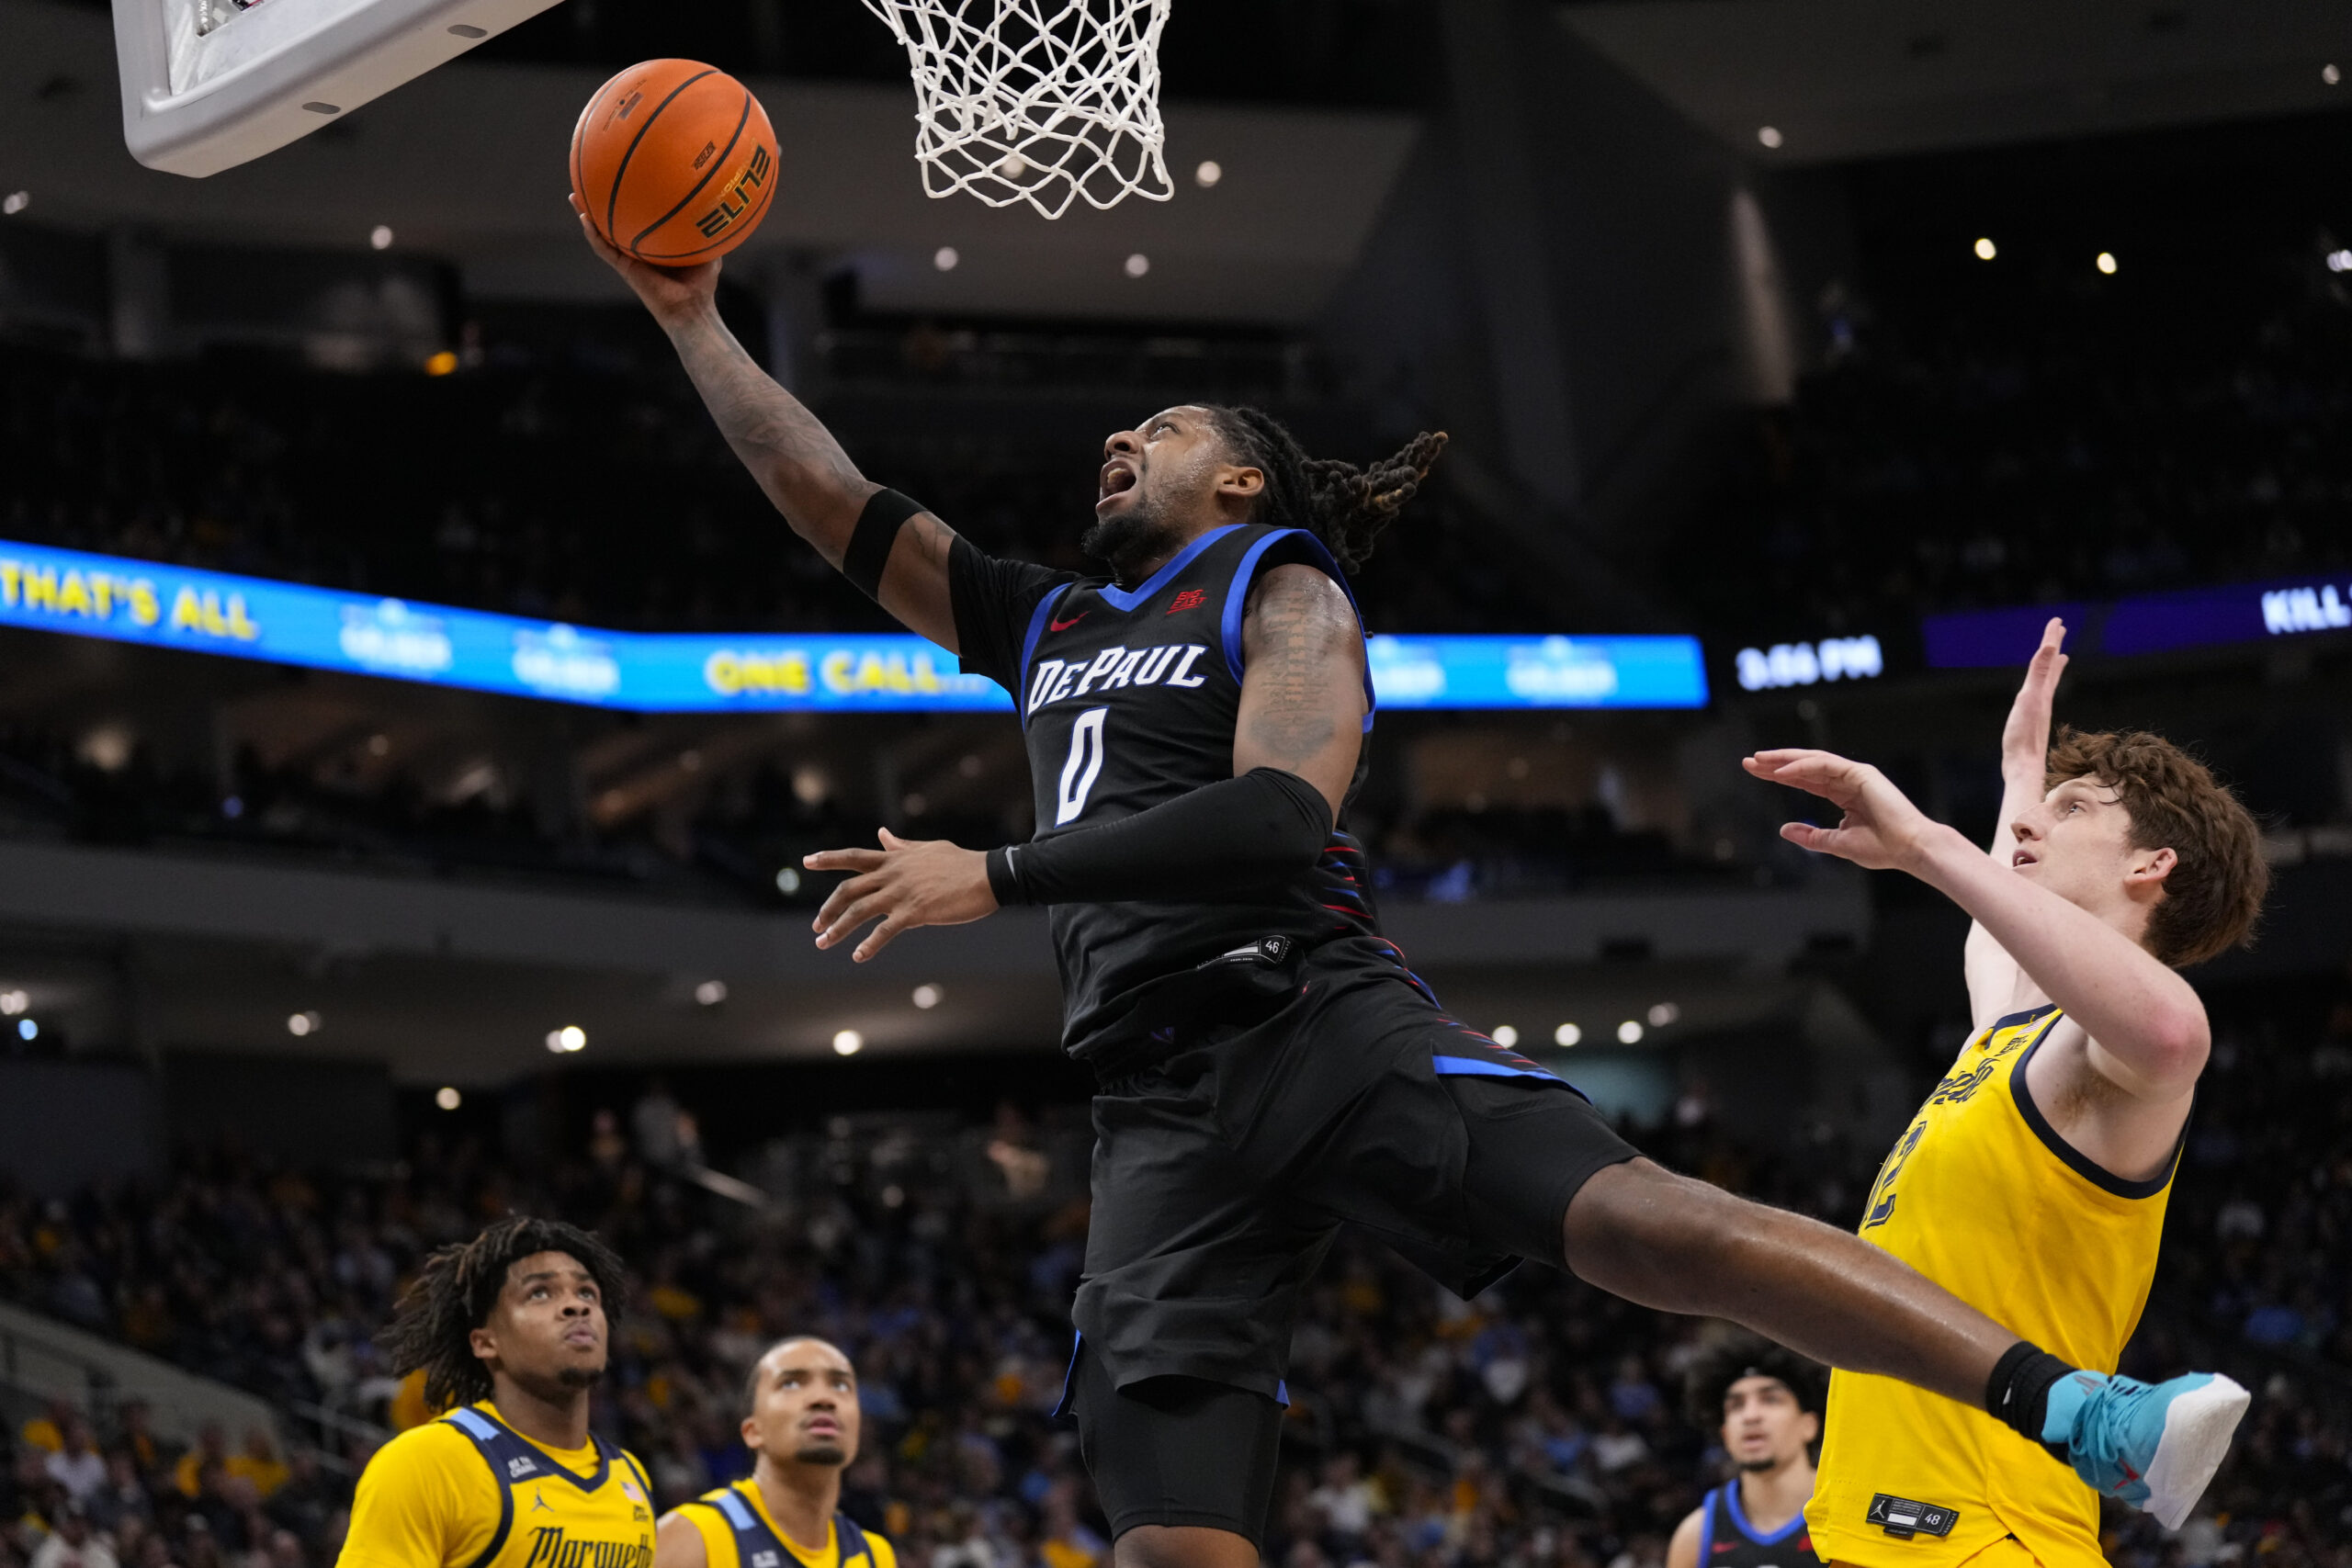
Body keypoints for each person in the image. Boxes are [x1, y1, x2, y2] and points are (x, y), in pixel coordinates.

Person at [580, 216, 2251, 1568]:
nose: (1116, 436)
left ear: (1239, 481)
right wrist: (693, 317)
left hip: (1310, 1007)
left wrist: (994, 871)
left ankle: (2082, 1412)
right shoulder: (1047, 623)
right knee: (1166, 1528)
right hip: (1153, 1100)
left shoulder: (1276, 582)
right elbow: (831, 497)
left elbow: (1266, 820)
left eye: (1155, 428)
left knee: (1640, 1226)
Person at [1747, 621, 2268, 1567]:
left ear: (2150, 866)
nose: (2027, 828)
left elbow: (2171, 1032)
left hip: (1990, 1536)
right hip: (1871, 1530)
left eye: (2070, 814)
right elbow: (1992, 938)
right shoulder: (2009, 1038)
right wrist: (2020, 769)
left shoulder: (2110, 1066)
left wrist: (1923, 843)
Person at [335, 1217, 654, 1568]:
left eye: (586, 1293)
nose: (577, 1307)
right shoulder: (426, 1464)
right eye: (540, 1293)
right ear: (487, 1342)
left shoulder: (631, 1476)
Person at [654, 1338, 899, 1568]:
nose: (824, 1398)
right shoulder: (692, 1537)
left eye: (840, 1385)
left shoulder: (875, 1555)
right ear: (752, 1431)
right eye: (790, 1383)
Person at [1668, 1337, 1825, 1568]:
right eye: (1736, 1405)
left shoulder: (1848, 1517)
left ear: (1809, 1425)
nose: (1751, 1416)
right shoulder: (1696, 1535)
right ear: (1725, 1435)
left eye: (1771, 1399)